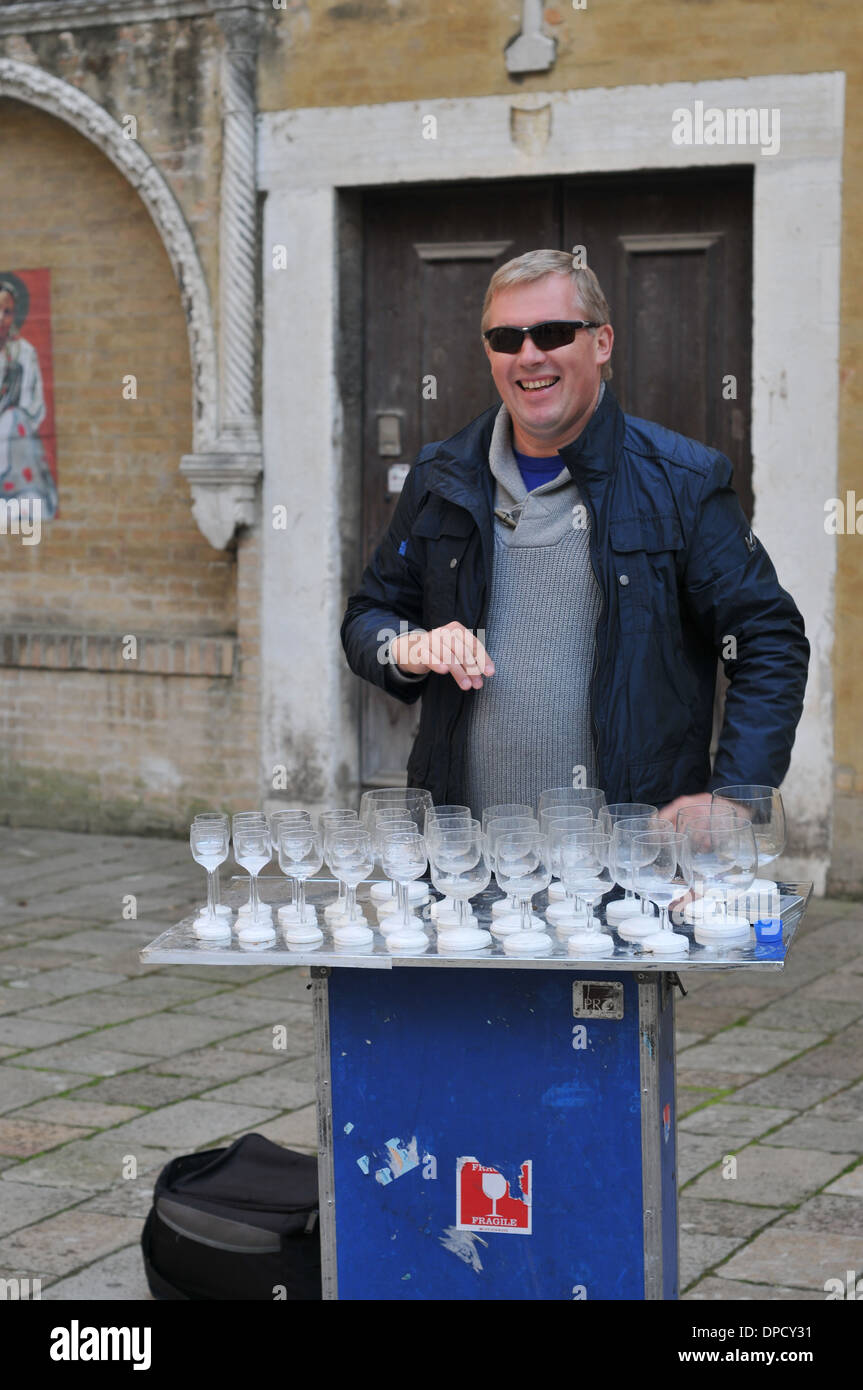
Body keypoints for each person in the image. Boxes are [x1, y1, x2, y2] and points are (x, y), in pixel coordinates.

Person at [340, 249, 809, 823]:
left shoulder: (683, 481)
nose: (529, 355)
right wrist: (407, 648)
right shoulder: (440, 479)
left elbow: (768, 639)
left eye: (554, 332)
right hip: (463, 870)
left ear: (602, 343)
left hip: (629, 879)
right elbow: (370, 614)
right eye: (506, 338)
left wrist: (737, 798)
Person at [0, 271, 58, 520]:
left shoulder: (25, 353)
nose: (1, 318)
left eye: (7, 311)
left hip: (15, 435)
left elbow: (34, 404)